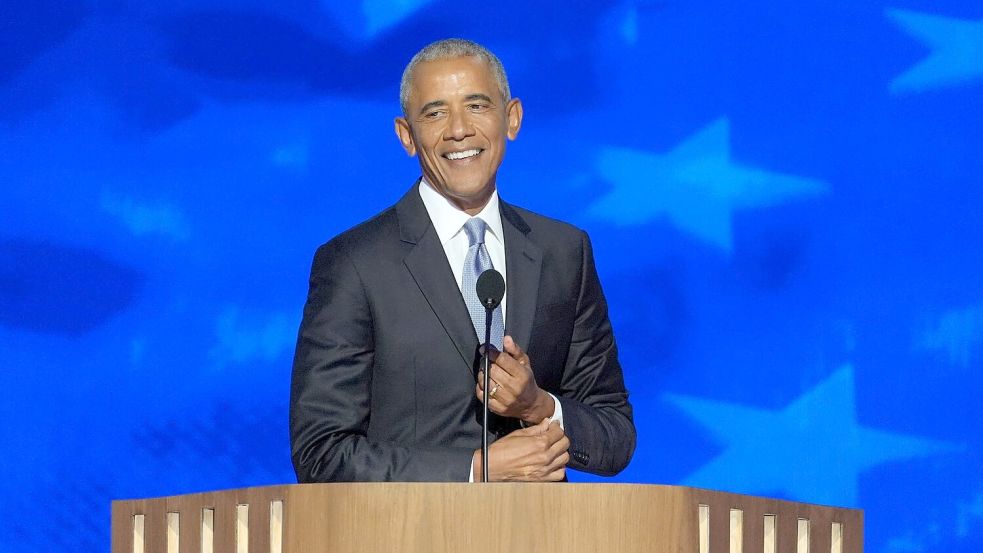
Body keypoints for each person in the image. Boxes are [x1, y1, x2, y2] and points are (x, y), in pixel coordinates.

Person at [290, 38, 634, 482]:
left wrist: (538, 406)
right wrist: (476, 471)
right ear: (406, 136)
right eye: (434, 113)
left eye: (476, 106)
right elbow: (322, 454)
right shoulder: (355, 264)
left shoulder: (564, 251)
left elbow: (615, 434)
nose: (458, 130)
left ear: (511, 118)